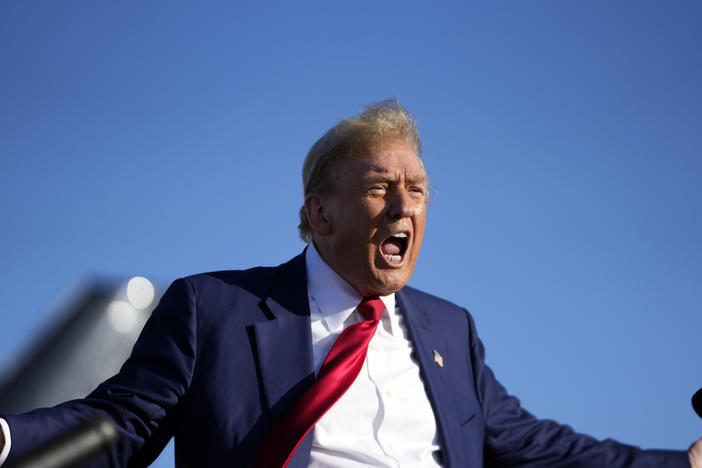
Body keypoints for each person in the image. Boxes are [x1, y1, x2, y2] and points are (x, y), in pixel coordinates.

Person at [0, 100, 699, 467]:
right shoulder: (213, 308)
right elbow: (118, 425)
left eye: (417, 189)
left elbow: (536, 446)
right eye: (379, 188)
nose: (404, 206)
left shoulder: (449, 329)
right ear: (319, 213)